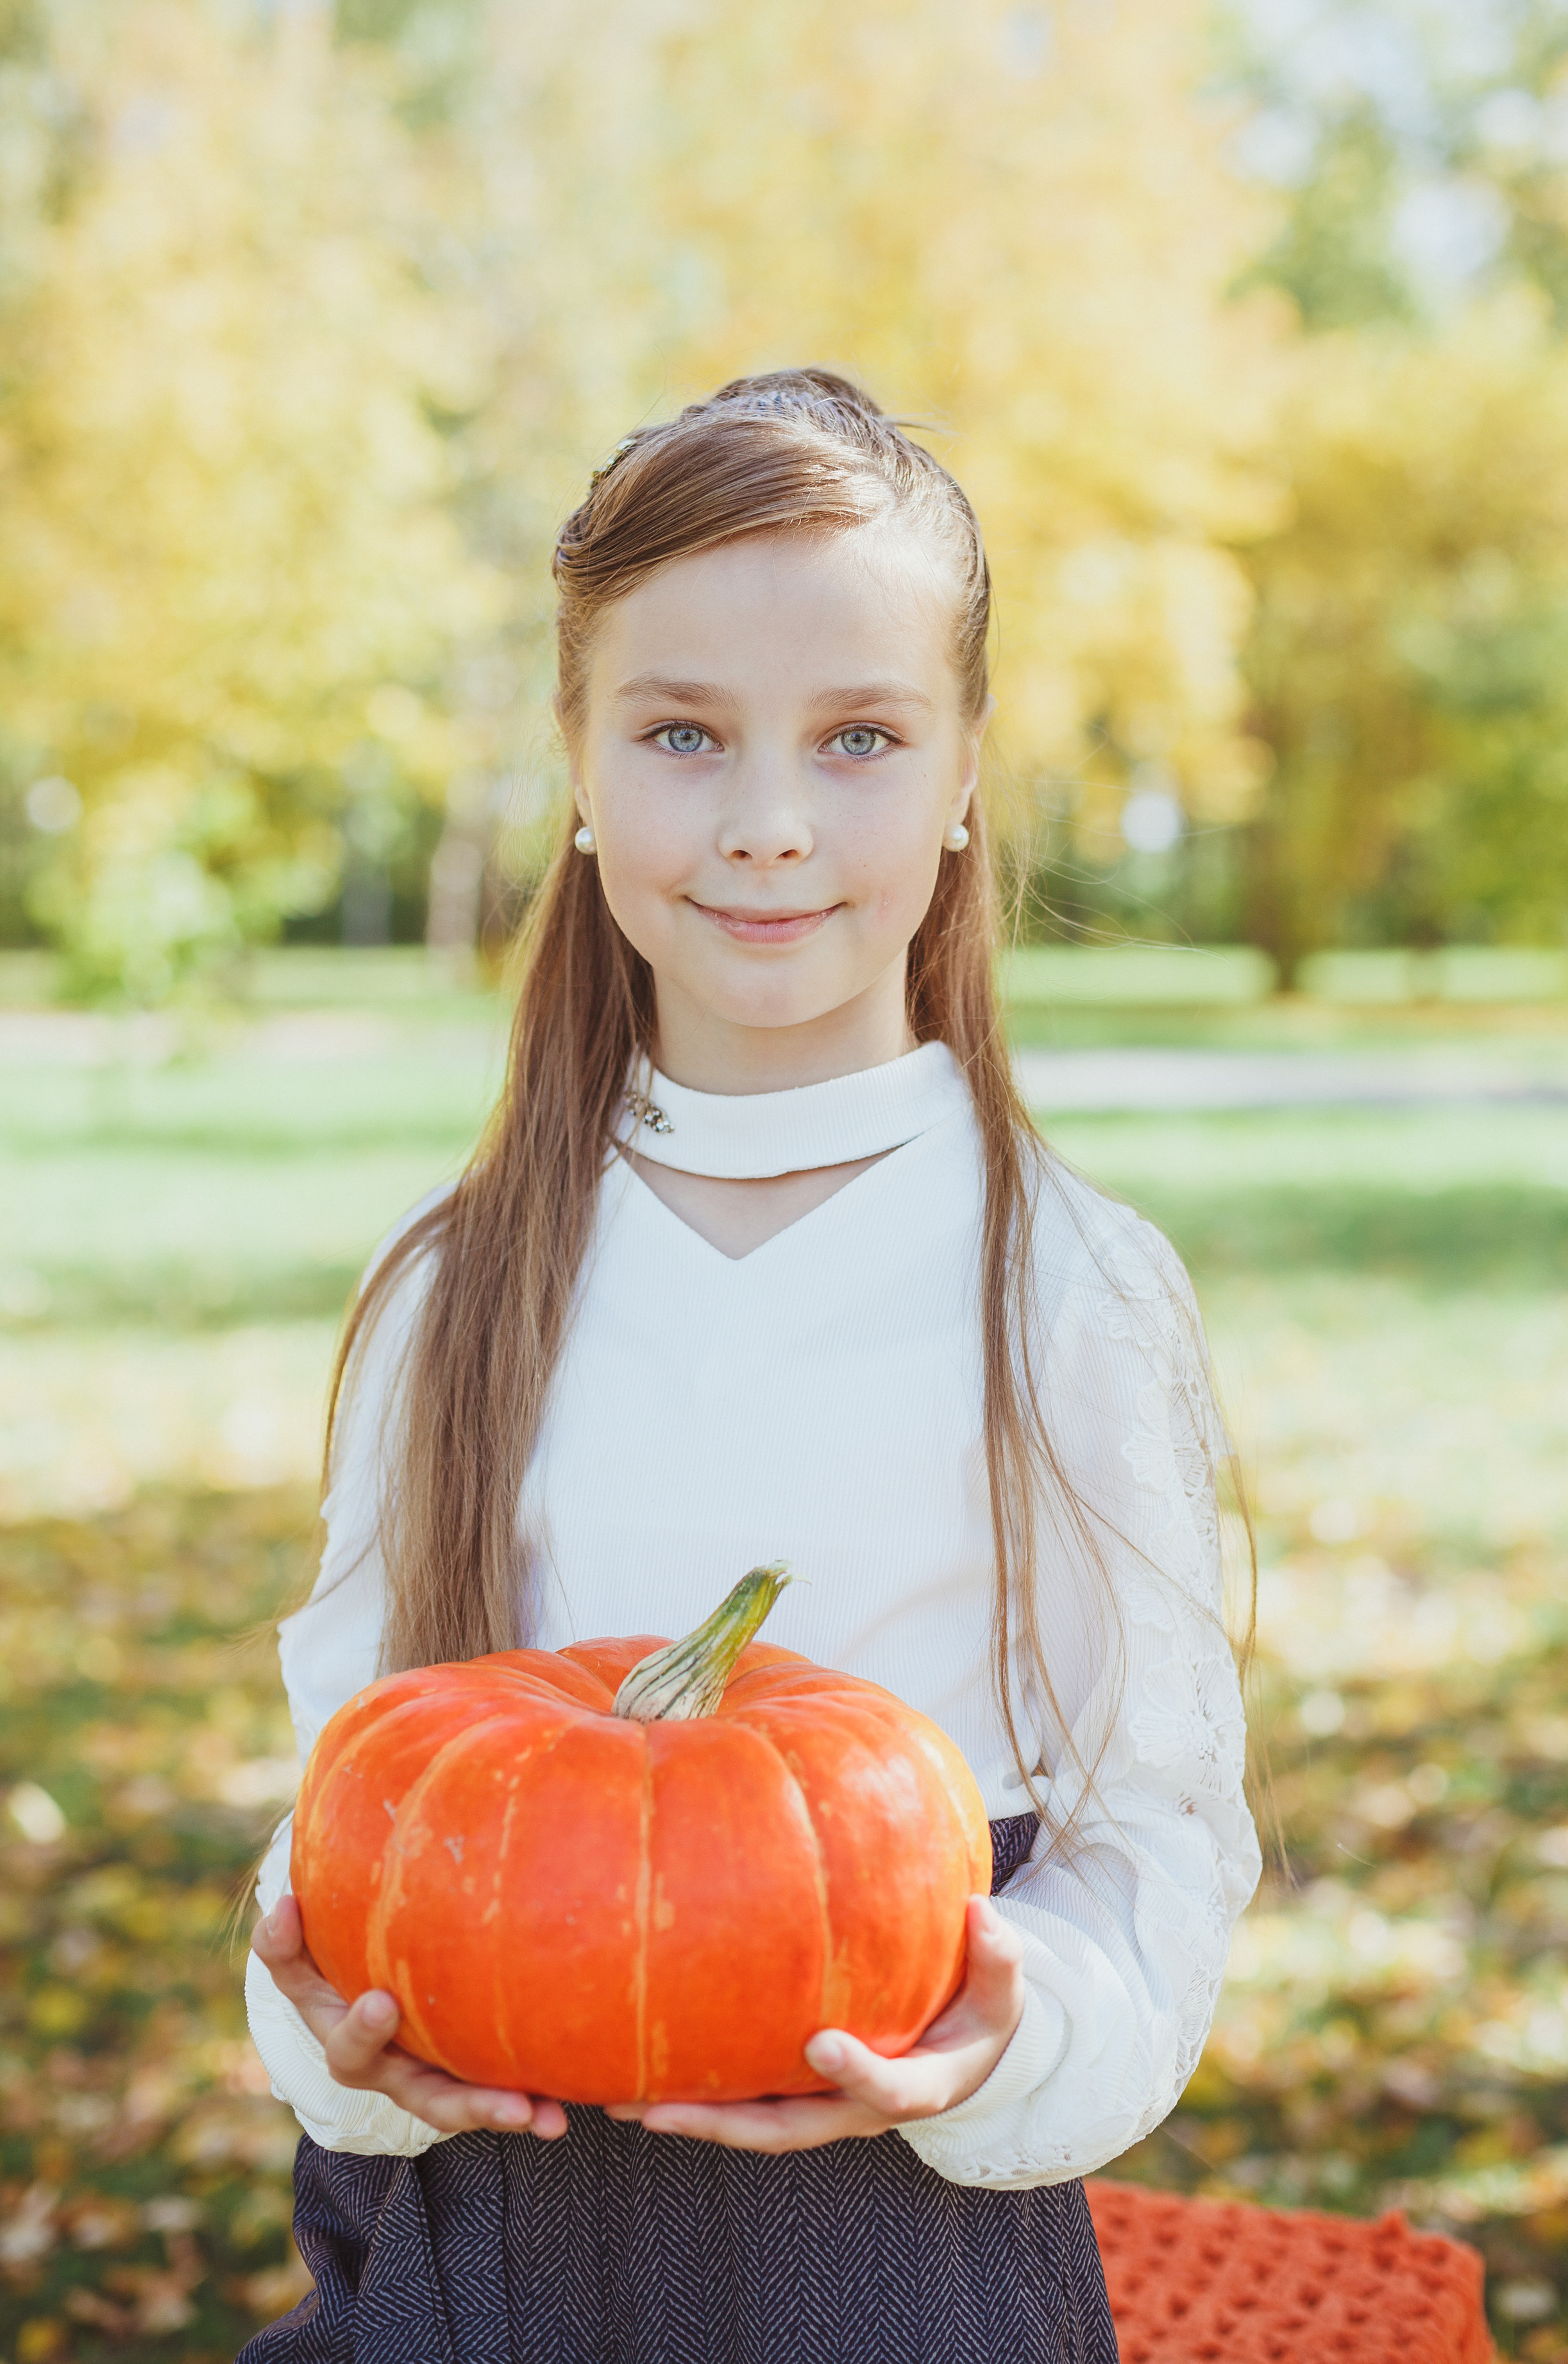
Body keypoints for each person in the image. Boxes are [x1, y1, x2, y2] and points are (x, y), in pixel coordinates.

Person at [240, 369, 1260, 2364]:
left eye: (859, 737)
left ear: (966, 773)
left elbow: (1161, 1832)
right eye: (685, 734)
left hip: (889, 2255)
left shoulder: (1064, 1289)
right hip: (483, 2233)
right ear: (582, 766)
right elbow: (350, 1787)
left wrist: (1002, 2032)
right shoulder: (456, 1286)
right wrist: (333, 2022)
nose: (772, 825)